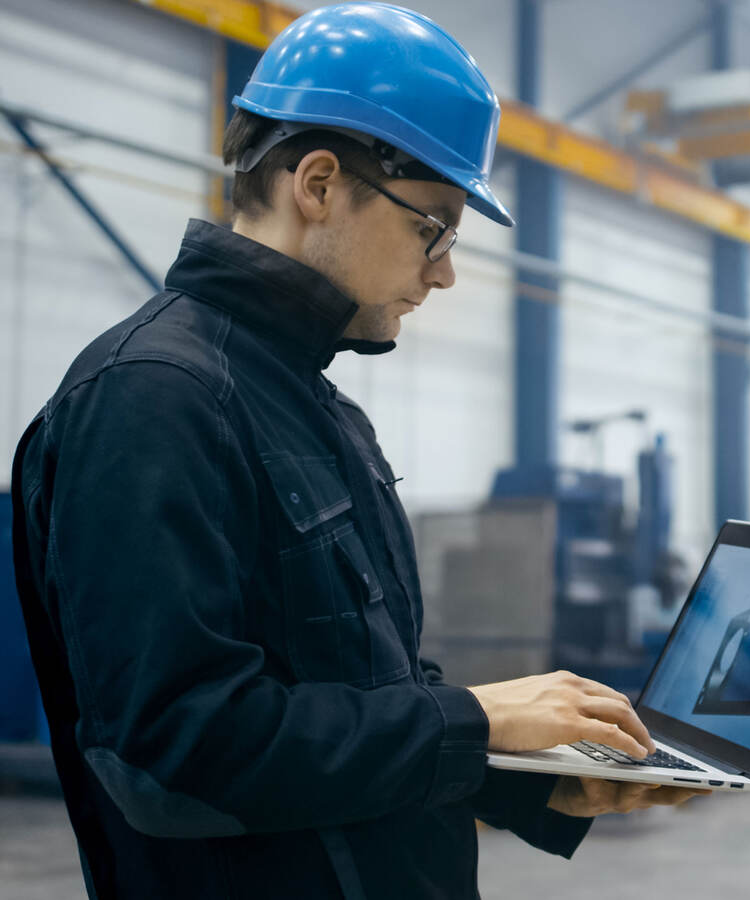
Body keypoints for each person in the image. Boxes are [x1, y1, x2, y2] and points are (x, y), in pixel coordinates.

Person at [9, 5, 704, 898]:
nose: (445, 270)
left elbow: (366, 698)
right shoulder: (152, 399)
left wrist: (536, 783)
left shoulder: (318, 407)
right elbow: (179, 750)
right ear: (321, 184)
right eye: (434, 227)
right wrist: (476, 721)